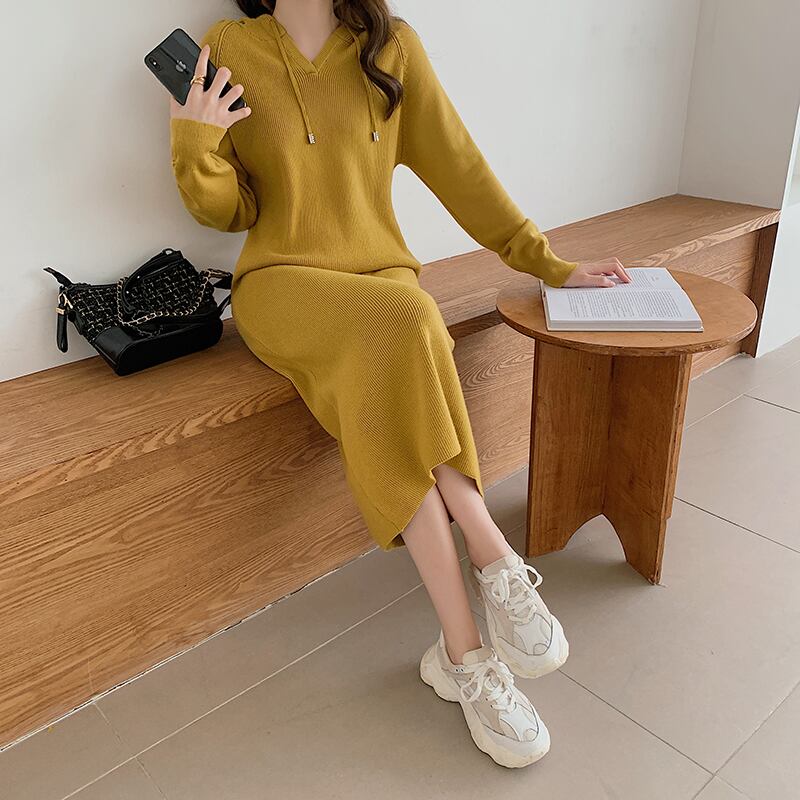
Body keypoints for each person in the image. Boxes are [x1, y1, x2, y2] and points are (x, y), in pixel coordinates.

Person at [168, 0, 630, 769]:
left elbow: (463, 172)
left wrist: (549, 264)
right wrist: (195, 137)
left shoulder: (392, 48)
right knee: (407, 319)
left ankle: (464, 653)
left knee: (399, 341)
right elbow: (229, 209)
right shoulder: (228, 46)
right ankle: (494, 557)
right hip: (281, 285)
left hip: (380, 283)